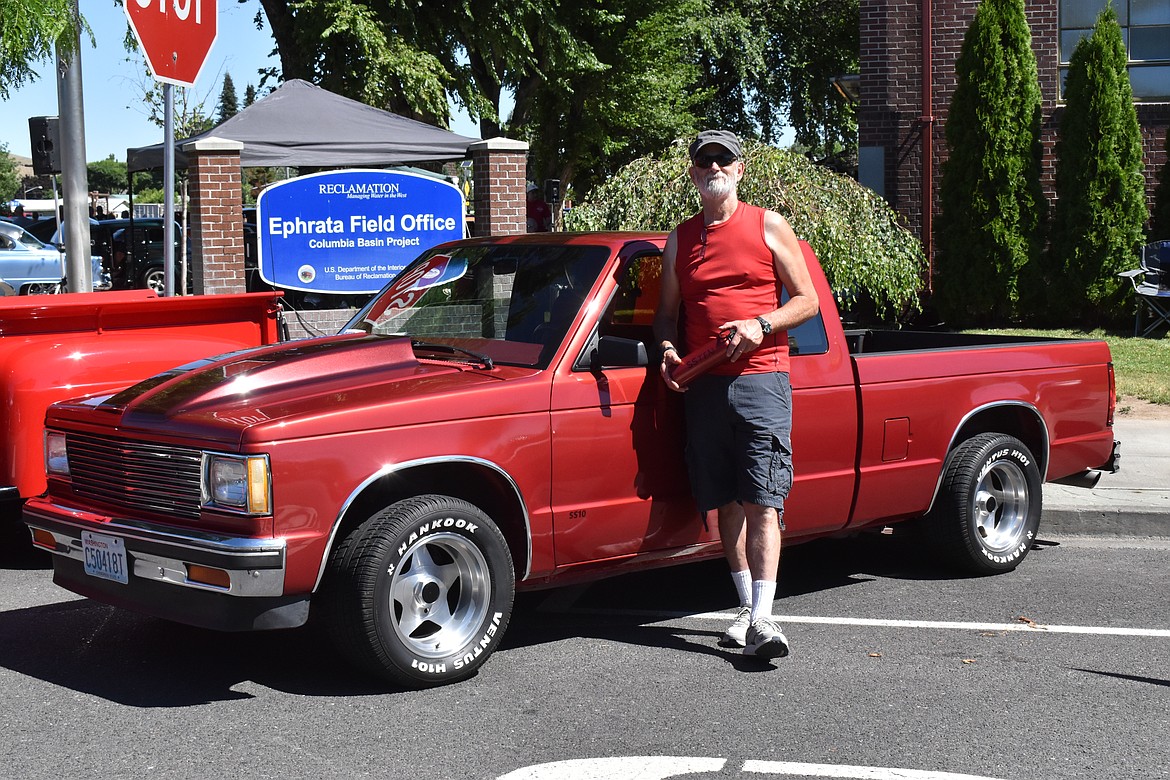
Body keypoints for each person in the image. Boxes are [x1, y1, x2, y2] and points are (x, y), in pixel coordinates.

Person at [653, 130, 819, 659]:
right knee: (723, 501)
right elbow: (666, 313)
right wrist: (666, 351)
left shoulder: (768, 224)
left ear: (740, 170)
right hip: (704, 386)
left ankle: (766, 620)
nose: (714, 168)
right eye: (705, 162)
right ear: (694, 174)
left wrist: (762, 324)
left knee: (763, 499)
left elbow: (808, 300)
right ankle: (745, 610)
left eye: (724, 160)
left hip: (761, 380)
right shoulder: (680, 239)